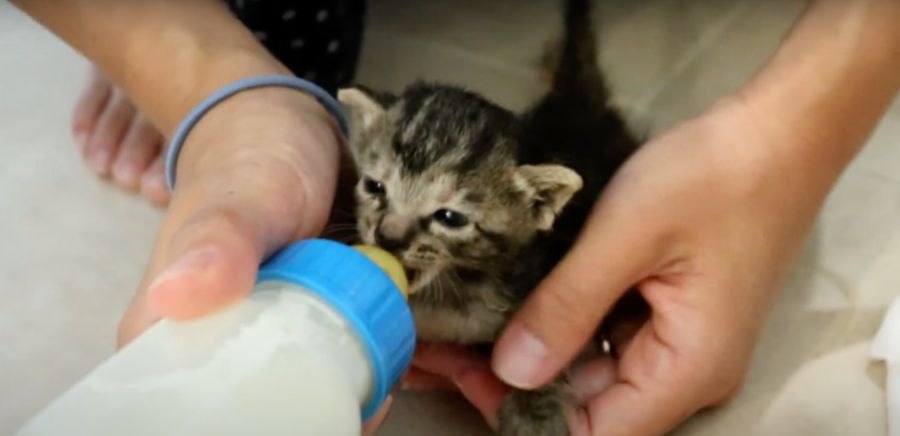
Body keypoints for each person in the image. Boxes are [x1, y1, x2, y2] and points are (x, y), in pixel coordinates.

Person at [11, 0, 900, 434]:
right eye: (374, 195)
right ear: (363, 135)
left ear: (533, 206)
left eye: (445, 222)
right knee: (286, 34)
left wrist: (779, 143)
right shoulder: (376, 152)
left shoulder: (530, 217)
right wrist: (211, 76)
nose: (389, 238)